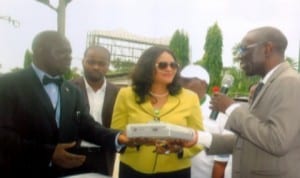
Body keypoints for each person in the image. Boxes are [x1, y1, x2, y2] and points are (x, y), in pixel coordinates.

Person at [0, 30, 130, 178]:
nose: (68, 58)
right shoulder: (7, 84)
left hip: (64, 172)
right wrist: (48, 153)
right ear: (39, 52)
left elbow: (87, 126)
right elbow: (3, 135)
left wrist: (118, 137)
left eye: (70, 53)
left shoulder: (71, 90)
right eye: (61, 52)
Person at [184, 26, 300, 178]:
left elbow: (277, 141)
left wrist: (231, 108)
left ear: (267, 49)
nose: (239, 56)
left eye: (243, 49)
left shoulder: (289, 81)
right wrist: (198, 138)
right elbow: (251, 139)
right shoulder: (268, 84)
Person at [110, 46, 203, 178]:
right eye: (163, 65)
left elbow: (199, 137)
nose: (169, 69)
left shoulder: (190, 98)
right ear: (147, 67)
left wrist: (179, 150)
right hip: (133, 171)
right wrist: (134, 141)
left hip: (175, 172)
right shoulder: (126, 94)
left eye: (173, 65)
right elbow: (116, 133)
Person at [71, 46, 120, 176]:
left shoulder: (118, 93)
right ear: (83, 62)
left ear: (108, 65)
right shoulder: (68, 88)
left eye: (102, 63)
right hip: (73, 155)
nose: (96, 67)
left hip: (105, 156)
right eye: (91, 62)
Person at [180, 64, 229, 178]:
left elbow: (222, 159)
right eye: (179, 80)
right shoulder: (174, 105)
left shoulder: (219, 111)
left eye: (186, 81)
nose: (181, 85)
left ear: (203, 84)